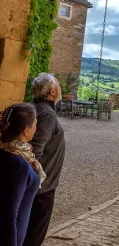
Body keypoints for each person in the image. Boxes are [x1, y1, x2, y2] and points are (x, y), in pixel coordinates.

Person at [24, 73, 65, 246]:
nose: (61, 89)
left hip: (37, 186)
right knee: (34, 234)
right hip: (42, 189)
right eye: (59, 86)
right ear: (53, 91)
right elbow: (34, 150)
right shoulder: (47, 114)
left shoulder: (35, 109)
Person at [0, 103, 46, 246]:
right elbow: (9, 215)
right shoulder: (20, 165)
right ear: (26, 131)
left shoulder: (6, 152)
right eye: (35, 124)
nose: (36, 128)